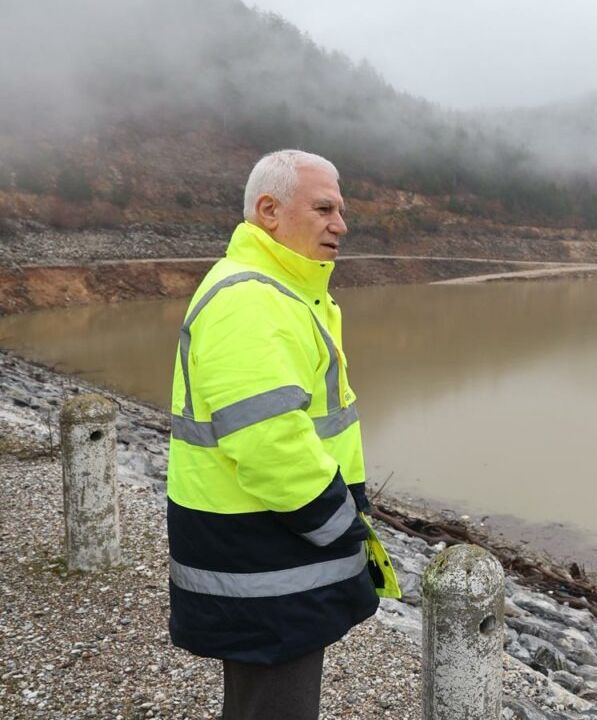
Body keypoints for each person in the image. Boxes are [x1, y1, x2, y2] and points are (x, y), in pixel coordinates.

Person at [166, 149, 392, 719]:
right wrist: (339, 524)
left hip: (266, 552)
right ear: (269, 211)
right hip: (266, 557)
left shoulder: (283, 292)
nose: (341, 225)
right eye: (324, 209)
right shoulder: (251, 299)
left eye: (341, 211)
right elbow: (267, 441)